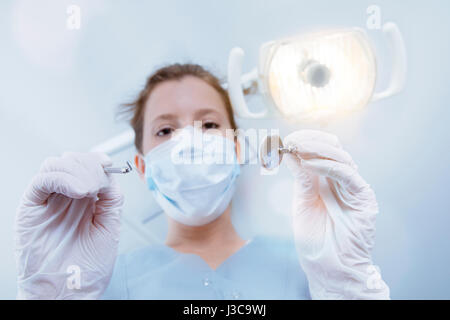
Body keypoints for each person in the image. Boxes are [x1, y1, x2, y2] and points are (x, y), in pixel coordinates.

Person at [14, 64, 390, 300]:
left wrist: (347, 286)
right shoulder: (103, 285)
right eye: (165, 129)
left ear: (239, 147)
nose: (190, 142)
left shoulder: (311, 267)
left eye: (209, 124)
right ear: (142, 168)